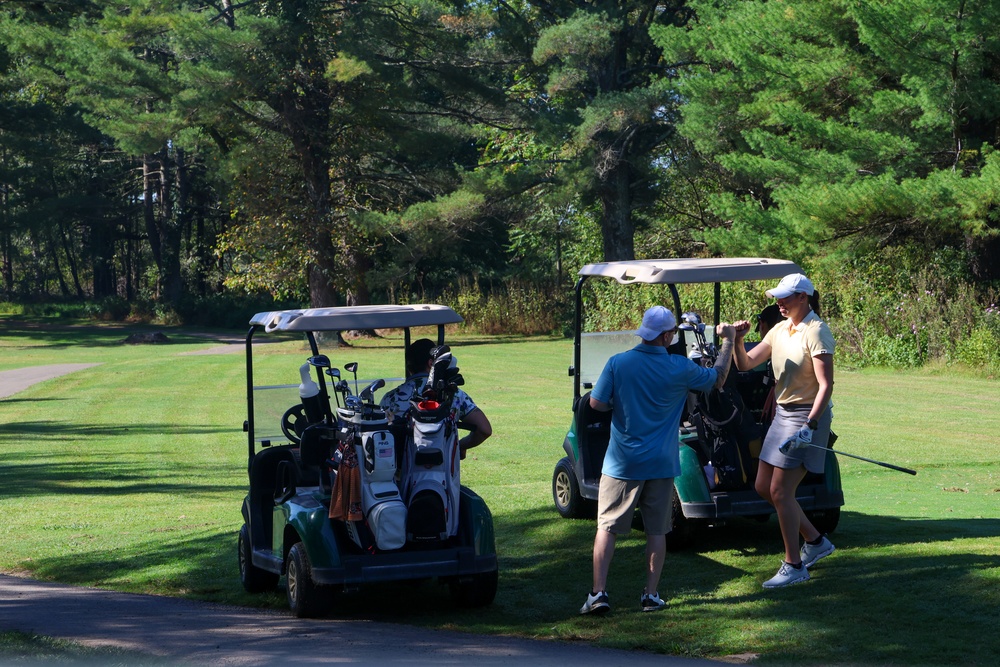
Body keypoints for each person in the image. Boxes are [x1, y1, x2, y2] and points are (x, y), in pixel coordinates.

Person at [580, 306, 737, 615]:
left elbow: (596, 403)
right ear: (666, 336)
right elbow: (717, 378)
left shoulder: (618, 363)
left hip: (622, 463)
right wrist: (729, 340)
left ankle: (598, 594)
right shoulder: (679, 367)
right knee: (657, 531)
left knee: (607, 527)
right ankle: (650, 596)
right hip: (662, 463)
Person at [731, 273, 836, 588]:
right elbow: (745, 364)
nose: (779, 302)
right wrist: (737, 339)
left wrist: (810, 426)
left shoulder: (816, 331)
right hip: (783, 416)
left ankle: (794, 565)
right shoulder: (779, 329)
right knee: (764, 486)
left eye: (785, 298)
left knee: (780, 491)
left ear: (803, 297)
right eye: (778, 297)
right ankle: (816, 542)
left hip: (806, 417)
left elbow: (826, 385)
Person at [379, 338, 492, 454]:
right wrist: (458, 446)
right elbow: (484, 430)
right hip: (443, 469)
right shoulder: (453, 394)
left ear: (409, 367)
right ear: (431, 363)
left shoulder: (390, 398)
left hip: (401, 469)